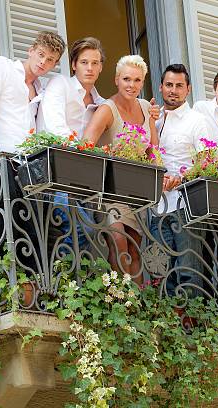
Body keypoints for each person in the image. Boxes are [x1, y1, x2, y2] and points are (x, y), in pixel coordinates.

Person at [0, 31, 66, 265]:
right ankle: (7, 289)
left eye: (51, 59)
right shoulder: (2, 67)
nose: (43, 62)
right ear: (31, 50)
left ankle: (32, 289)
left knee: (35, 232)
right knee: (5, 228)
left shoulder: (43, 90)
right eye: (41, 55)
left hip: (28, 168)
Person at [83, 55, 160, 283]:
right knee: (118, 240)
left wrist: (159, 175)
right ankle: (120, 299)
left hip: (136, 190)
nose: (132, 85)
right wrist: (109, 155)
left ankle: (135, 304)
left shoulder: (147, 108)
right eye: (126, 79)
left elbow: (152, 150)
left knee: (135, 247)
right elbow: (85, 145)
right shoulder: (107, 109)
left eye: (137, 80)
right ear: (117, 80)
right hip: (109, 188)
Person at [37, 37, 106, 250]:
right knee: (81, 229)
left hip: (82, 180)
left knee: (86, 232)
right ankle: (64, 276)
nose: (90, 68)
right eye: (84, 62)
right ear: (74, 64)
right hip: (53, 171)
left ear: (101, 67)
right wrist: (83, 150)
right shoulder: (60, 84)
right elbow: (55, 125)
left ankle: (69, 278)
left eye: (95, 63)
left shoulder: (101, 104)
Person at [150, 64, 209, 296]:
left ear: (188, 89)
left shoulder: (197, 121)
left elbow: (206, 162)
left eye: (179, 86)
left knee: (188, 270)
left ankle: (193, 323)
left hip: (186, 207)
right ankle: (165, 322)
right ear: (161, 87)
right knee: (159, 270)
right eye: (169, 85)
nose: (173, 90)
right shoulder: (153, 120)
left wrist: (180, 177)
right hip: (157, 207)